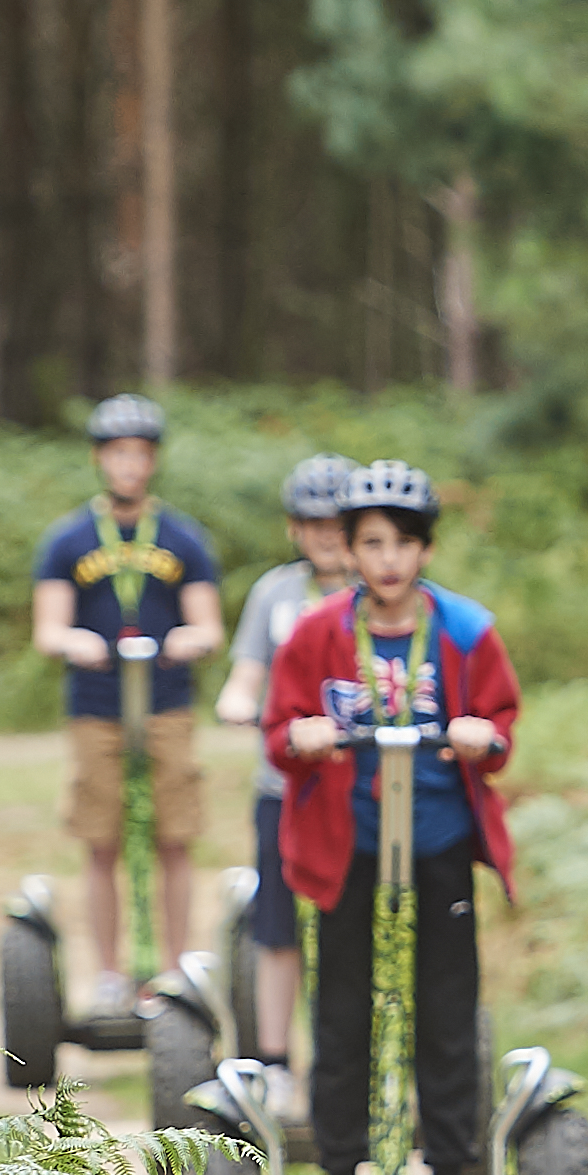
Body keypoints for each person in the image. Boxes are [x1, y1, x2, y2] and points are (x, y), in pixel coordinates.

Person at [267, 459, 517, 1175]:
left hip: (438, 848)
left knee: (446, 1018)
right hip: (351, 851)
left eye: (402, 544)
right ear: (347, 550)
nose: (386, 560)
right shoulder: (318, 633)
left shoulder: (464, 630)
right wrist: (302, 735)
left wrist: (482, 733)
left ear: (425, 550)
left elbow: (500, 722)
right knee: (341, 1017)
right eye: (370, 543)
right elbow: (280, 728)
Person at [32, 394, 224, 1007]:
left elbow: (209, 627)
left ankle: (174, 972)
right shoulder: (67, 540)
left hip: (165, 704)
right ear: (99, 459)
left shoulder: (182, 538)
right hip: (97, 707)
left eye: (140, 454)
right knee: (101, 838)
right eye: (118, 453)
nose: (129, 466)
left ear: (154, 461)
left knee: (174, 835)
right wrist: (75, 641)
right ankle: (111, 973)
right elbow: (48, 629)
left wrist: (185, 640)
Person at [209, 452, 359, 1106]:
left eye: (337, 521)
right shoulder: (276, 593)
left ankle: (352, 1059)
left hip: (364, 790)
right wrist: (238, 700)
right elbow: (247, 670)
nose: (326, 534)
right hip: (286, 789)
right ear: (294, 528)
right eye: (312, 521)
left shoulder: (374, 592)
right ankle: (275, 1060)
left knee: (356, 924)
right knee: (278, 927)